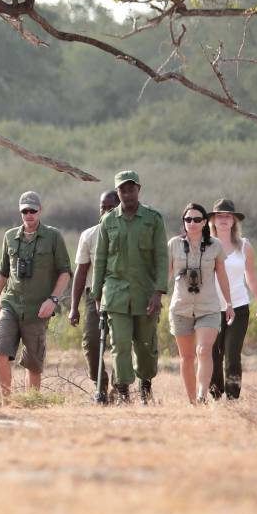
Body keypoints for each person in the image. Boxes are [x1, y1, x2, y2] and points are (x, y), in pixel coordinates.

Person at [88, 170, 166, 404]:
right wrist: (97, 295)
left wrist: (158, 292)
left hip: (145, 294)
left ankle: (145, 387)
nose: (127, 193)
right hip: (115, 294)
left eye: (131, 189)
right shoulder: (108, 221)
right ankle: (123, 393)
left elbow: (162, 258)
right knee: (120, 345)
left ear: (138, 190)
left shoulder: (153, 219)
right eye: (123, 189)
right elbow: (100, 260)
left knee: (145, 346)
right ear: (118, 192)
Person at [0, 191, 72, 397]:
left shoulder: (53, 236)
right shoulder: (10, 237)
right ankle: (7, 403)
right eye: (25, 211)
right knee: (0, 352)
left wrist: (53, 300)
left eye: (32, 211)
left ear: (40, 210)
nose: (29, 215)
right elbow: (3, 273)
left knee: (33, 362)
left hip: (38, 308)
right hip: (11, 303)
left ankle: (31, 403)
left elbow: (65, 272)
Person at [168, 201, 234, 406]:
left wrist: (229, 303)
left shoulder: (215, 245)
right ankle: (192, 402)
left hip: (209, 307)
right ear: (183, 221)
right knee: (187, 357)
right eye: (188, 219)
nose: (192, 223)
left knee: (204, 350)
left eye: (197, 219)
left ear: (205, 222)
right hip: (181, 307)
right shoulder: (174, 244)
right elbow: (165, 274)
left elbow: (221, 275)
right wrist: (154, 296)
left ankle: (202, 395)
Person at [208, 198, 257, 400]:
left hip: (239, 307)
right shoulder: (206, 245)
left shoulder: (244, 246)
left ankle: (233, 398)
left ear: (234, 220)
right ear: (213, 220)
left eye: (228, 216)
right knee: (214, 355)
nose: (224, 219)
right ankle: (215, 395)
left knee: (232, 355)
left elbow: (251, 275)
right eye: (219, 216)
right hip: (211, 308)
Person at [67, 188, 120, 402]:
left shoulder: (126, 233)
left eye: (111, 207)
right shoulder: (89, 235)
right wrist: (74, 307)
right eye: (103, 207)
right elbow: (81, 272)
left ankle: (120, 387)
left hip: (121, 293)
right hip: (94, 295)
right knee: (91, 342)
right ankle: (100, 385)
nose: (106, 211)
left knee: (120, 342)